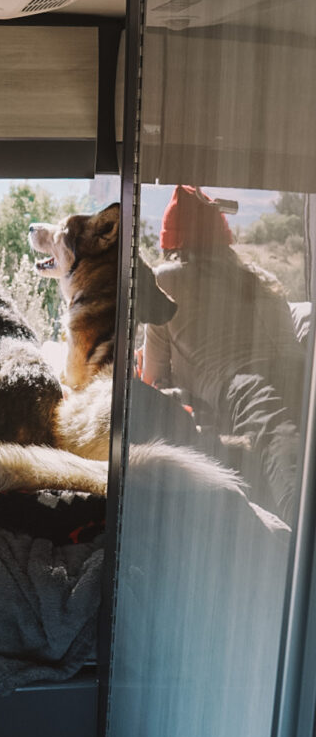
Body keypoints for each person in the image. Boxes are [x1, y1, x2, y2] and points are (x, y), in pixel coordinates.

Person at [142, 184, 305, 519]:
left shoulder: (164, 281)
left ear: (171, 240)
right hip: (304, 376)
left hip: (249, 388)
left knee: (294, 489)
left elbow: (153, 381)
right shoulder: (260, 276)